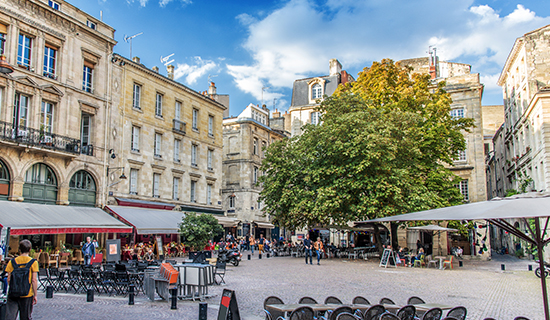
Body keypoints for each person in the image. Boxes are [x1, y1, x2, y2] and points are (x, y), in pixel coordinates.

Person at [5, 239, 39, 320]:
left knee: (10, 317)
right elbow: (34, 280)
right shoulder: (33, 262)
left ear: (19, 249)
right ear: (30, 250)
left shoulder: (12, 261)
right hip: (27, 293)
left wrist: (14, 287)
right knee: (25, 317)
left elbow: (8, 279)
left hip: (13, 293)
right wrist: (35, 294)